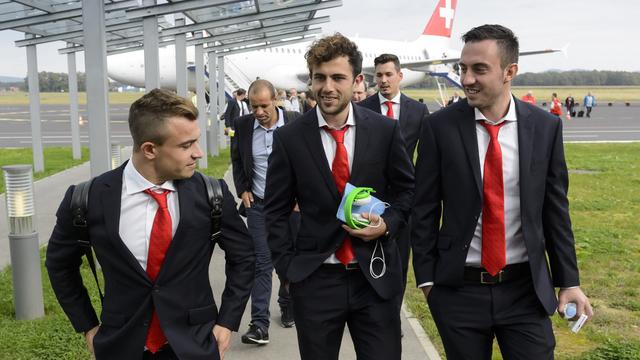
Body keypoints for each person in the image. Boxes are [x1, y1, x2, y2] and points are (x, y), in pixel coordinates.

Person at [411, 25, 593, 360]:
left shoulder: (544, 127)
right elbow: (423, 207)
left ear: (510, 72)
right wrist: (427, 281)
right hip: (459, 290)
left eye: (479, 69)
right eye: (463, 68)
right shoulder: (439, 127)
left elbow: (555, 209)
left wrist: (568, 281)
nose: (467, 79)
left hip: (525, 289)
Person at [46, 89, 255, 359]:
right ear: (150, 149)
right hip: (121, 346)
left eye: (197, 141)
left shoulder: (211, 193)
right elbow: (59, 264)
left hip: (195, 345)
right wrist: (87, 324)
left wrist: (227, 322)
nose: (198, 153)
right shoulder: (88, 198)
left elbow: (244, 256)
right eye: (185, 145)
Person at [264, 33, 414, 360]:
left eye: (337, 77)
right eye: (319, 78)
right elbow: (273, 211)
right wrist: (287, 269)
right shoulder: (290, 138)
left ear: (357, 80)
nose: (327, 86)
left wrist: (387, 224)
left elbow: (406, 193)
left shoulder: (385, 131)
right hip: (316, 281)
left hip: (373, 278)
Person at [230, 79, 302, 344]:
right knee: (261, 263)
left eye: (263, 105)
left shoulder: (296, 122)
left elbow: (309, 161)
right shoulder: (243, 126)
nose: (259, 112)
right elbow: (237, 159)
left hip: (290, 206)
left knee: (289, 260)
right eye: (253, 106)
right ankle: (259, 324)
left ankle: (287, 301)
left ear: (276, 100)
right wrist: (242, 189)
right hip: (259, 206)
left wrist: (302, 197)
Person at [358, 53, 429, 301]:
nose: (384, 80)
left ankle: (393, 316)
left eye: (389, 74)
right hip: (370, 198)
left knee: (399, 259)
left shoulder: (418, 110)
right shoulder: (362, 109)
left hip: (404, 198)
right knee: (369, 259)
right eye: (379, 75)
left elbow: (427, 155)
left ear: (400, 76)